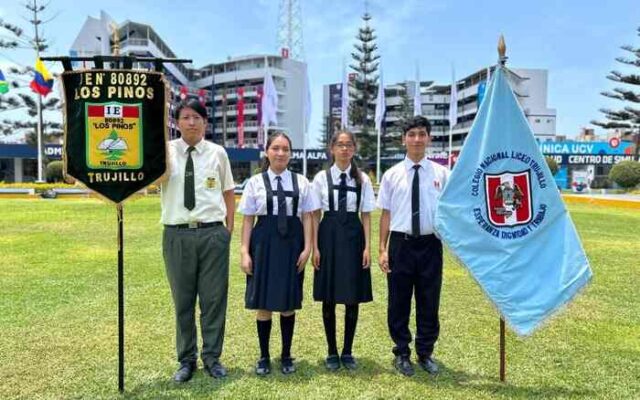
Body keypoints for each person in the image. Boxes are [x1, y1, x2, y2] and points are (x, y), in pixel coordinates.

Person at [160, 98, 235, 382]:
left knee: (214, 300)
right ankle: (186, 360)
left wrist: (228, 229)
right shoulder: (165, 152)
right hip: (177, 234)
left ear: (205, 122)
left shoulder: (218, 153)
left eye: (197, 117)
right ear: (176, 122)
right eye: (186, 117)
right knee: (183, 301)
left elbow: (228, 192)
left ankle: (212, 357)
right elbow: (152, 183)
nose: (191, 122)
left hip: (213, 234)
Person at [377, 115, 450, 377]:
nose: (417, 139)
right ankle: (402, 352)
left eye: (422, 134)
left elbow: (451, 211)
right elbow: (385, 214)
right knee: (398, 300)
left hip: (431, 245)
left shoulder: (442, 174)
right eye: (412, 134)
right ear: (403, 139)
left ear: (429, 138)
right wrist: (382, 249)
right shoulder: (391, 175)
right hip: (400, 244)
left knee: (429, 300)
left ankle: (426, 352)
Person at [238, 132, 315, 376]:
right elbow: (248, 220)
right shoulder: (255, 183)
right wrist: (244, 251)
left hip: (293, 245)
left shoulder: (302, 182)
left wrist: (307, 248)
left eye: (285, 149)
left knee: (288, 303)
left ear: (290, 153)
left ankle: (285, 355)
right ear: (267, 151)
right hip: (263, 246)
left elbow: (308, 217)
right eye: (275, 148)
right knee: (264, 303)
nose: (280, 153)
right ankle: (263, 356)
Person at [310, 130, 375, 371]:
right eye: (340, 145)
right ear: (332, 149)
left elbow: (366, 216)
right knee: (328, 297)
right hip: (328, 237)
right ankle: (331, 351)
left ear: (354, 149)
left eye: (349, 145)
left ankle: (347, 351)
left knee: (352, 297)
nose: (344, 149)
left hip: (353, 238)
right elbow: (315, 215)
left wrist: (368, 246)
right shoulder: (320, 178)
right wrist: (315, 246)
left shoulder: (362, 180)